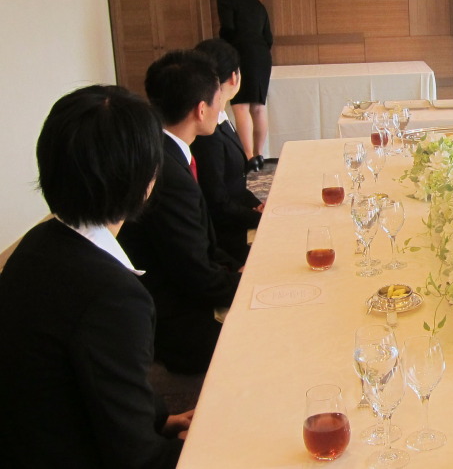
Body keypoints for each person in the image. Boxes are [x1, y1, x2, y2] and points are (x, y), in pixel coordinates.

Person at [0, 85, 189, 468]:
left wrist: (160, 419)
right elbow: (138, 460)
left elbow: (93, 379)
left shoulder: (39, 242)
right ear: (145, 181)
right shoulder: (113, 296)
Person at [119, 50, 242, 375]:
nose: (221, 107)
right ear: (201, 110)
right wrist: (249, 283)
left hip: (179, 288)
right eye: (218, 100)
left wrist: (235, 269)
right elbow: (194, 276)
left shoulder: (164, 151)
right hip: (175, 318)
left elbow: (197, 247)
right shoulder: (169, 175)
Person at [191, 38, 264, 264]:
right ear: (234, 77)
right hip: (226, 237)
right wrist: (259, 219)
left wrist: (256, 204)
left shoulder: (220, 118)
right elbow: (217, 202)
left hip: (236, 217)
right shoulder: (208, 132)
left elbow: (234, 183)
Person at [217, 0, 273, 172]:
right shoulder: (257, 3)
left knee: (240, 105)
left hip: (240, 53)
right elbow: (268, 37)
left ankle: (248, 157)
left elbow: (228, 29)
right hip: (262, 56)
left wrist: (225, 51)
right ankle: (259, 155)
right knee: (258, 106)